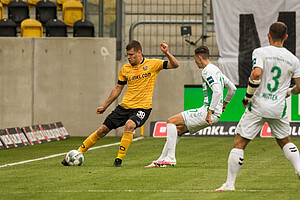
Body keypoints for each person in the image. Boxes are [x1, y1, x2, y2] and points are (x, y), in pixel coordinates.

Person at [62, 40, 179, 167]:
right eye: (127, 55)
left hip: (142, 108)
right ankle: (77, 153)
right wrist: (104, 106)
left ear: (139, 53)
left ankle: (119, 159)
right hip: (124, 107)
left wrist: (166, 52)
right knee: (102, 130)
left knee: (129, 125)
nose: (128, 57)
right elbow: (118, 88)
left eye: (131, 55)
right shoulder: (125, 69)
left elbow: (175, 64)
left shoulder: (153, 64)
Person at [215, 22, 300, 191]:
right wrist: (289, 92)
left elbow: (256, 73)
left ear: (268, 35)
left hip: (259, 104)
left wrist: (247, 96)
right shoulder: (293, 59)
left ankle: (229, 184)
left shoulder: (260, 52)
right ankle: (299, 168)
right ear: (286, 37)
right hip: (278, 107)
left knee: (239, 143)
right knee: (285, 141)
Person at [145, 46, 237, 168]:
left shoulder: (207, 71)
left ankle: (170, 158)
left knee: (170, 121)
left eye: (195, 58)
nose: (194, 61)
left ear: (199, 57)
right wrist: (225, 103)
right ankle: (161, 159)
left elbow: (218, 92)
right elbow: (232, 88)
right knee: (178, 130)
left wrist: (210, 111)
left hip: (207, 112)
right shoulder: (216, 70)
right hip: (214, 113)